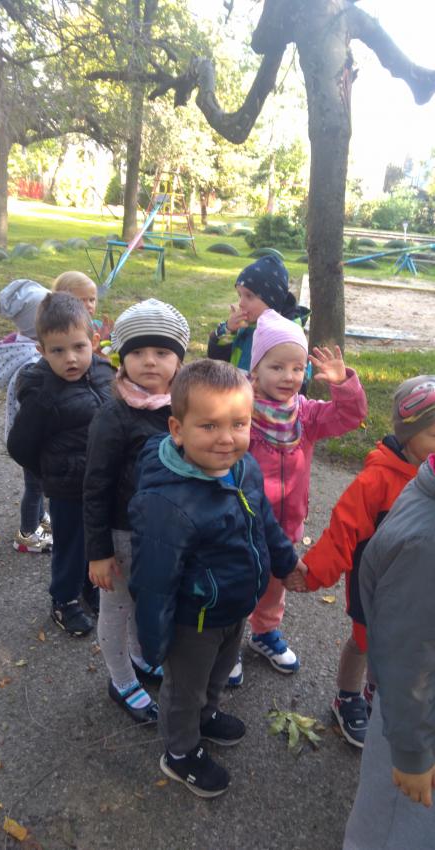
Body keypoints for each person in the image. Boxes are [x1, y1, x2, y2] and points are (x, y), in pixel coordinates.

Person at [128, 359, 307, 797]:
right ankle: (180, 752)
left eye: (238, 424)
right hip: (194, 620)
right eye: (209, 426)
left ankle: (206, 716)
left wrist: (286, 561)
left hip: (233, 604)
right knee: (184, 689)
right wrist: (155, 642)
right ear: (177, 429)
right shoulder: (167, 502)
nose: (226, 438)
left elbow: (263, 521)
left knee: (218, 673)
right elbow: (152, 580)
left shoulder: (243, 468)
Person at [295, 376, 435, 749]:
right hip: (375, 583)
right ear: (408, 435)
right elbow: (343, 528)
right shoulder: (378, 480)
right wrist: (313, 572)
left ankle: (378, 687)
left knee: (403, 642)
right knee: (364, 640)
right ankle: (347, 695)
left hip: (418, 586)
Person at [231, 309, 367, 686]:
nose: (289, 376)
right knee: (237, 582)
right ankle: (227, 645)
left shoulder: (304, 415)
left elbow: (349, 417)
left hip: (287, 523)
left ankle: (264, 632)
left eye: (296, 368)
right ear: (255, 369)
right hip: (241, 524)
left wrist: (344, 385)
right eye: (277, 367)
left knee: (276, 583)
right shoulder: (239, 413)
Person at [84, 298, 190, 725]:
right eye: (138, 352)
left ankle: (140, 656)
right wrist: (98, 552)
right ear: (121, 358)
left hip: (161, 533)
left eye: (162, 352)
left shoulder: (182, 407)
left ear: (179, 360)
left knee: (142, 599)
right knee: (116, 608)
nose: (150, 361)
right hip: (121, 535)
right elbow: (94, 487)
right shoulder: (113, 416)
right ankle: (121, 679)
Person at [343, 453, 435, 850]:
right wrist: (412, 754)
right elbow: (406, 660)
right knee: (393, 828)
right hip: (416, 728)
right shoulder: (426, 545)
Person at [7, 292, 113, 636]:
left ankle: (89, 586)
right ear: (42, 351)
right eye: (57, 351)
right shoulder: (41, 391)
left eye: (78, 347)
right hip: (67, 489)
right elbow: (20, 445)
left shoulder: (103, 373)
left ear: (93, 341)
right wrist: (50, 473)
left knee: (97, 540)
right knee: (70, 545)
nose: (70, 358)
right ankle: (64, 599)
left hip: (103, 484)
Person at [0, 278, 52, 553]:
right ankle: (27, 535)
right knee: (35, 487)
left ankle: (39, 520)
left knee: (36, 484)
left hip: (24, 436)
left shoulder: (21, 348)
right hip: (33, 439)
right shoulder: (33, 361)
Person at [207, 254, 309, 373]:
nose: (241, 303)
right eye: (240, 295)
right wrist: (228, 330)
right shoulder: (243, 326)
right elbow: (215, 360)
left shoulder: (288, 336)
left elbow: (298, 376)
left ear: (272, 301)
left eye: (249, 296)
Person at [53, 270, 112, 346]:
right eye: (81, 301)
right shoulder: (60, 330)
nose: (89, 305)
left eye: (92, 300)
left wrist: (104, 336)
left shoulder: (94, 325)